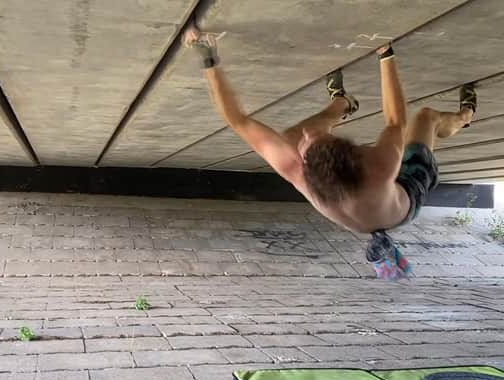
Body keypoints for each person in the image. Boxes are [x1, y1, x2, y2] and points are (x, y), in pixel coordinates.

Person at [184, 26, 476, 280]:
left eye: (310, 141)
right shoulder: (380, 167)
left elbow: (239, 120)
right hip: (407, 195)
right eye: (316, 140)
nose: (309, 133)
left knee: (287, 139)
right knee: (425, 117)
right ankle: (465, 115)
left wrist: (208, 57)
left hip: (367, 208)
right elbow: (396, 120)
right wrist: (385, 54)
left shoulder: (297, 172)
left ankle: (342, 103)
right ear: (359, 155)